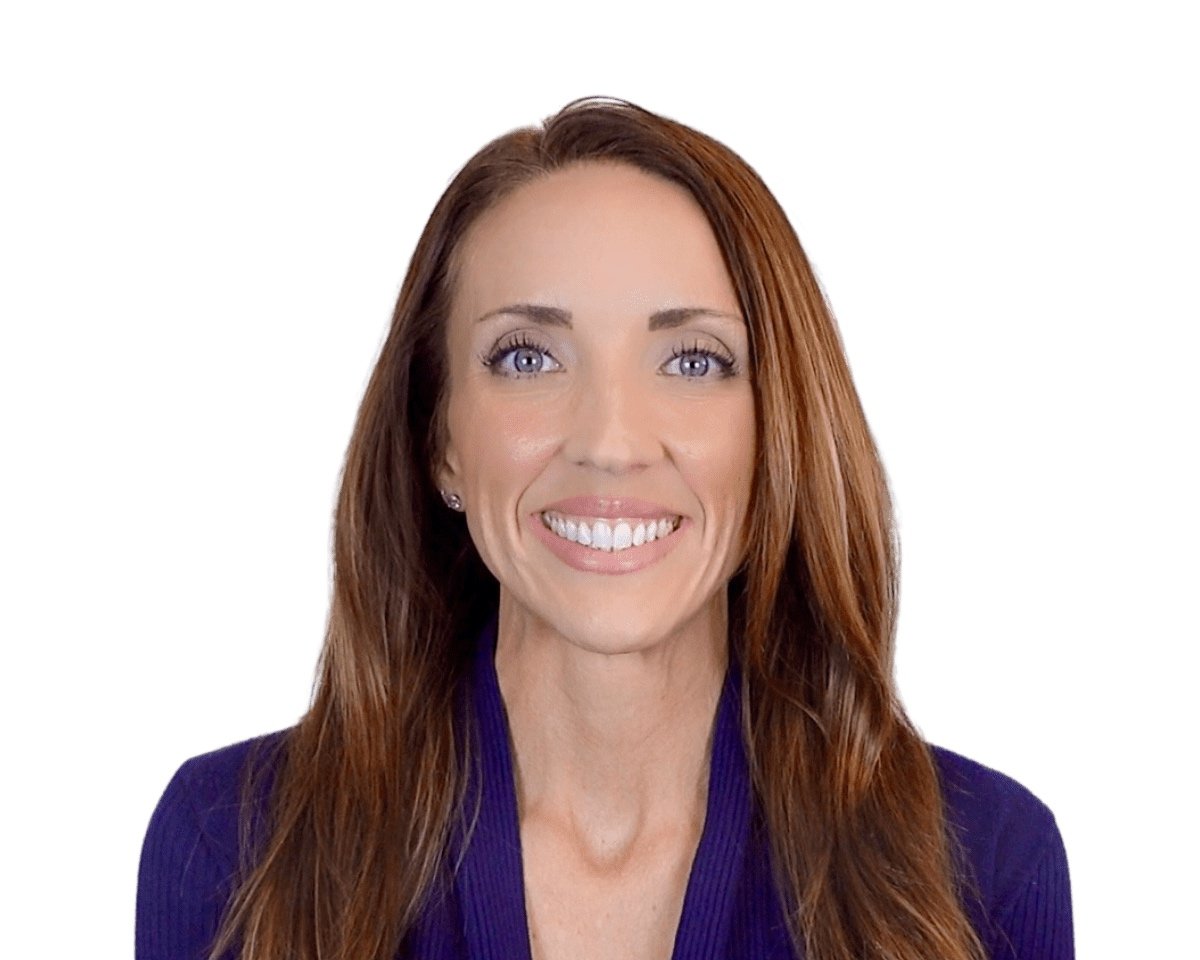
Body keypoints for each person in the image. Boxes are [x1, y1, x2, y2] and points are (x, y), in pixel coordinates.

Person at [136, 96, 1073, 960]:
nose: (613, 442)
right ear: (440, 440)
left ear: (776, 430)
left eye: (694, 361)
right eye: (529, 355)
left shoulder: (980, 870)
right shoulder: (235, 846)